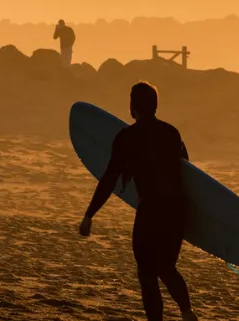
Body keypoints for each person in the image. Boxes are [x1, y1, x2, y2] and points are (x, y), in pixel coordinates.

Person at [80, 82, 197, 321]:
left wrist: (89, 214)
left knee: (146, 273)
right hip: (177, 209)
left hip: (152, 209)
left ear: (133, 106)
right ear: (155, 105)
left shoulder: (128, 137)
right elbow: (189, 174)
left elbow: (110, 178)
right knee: (166, 267)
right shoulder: (171, 133)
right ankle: (187, 313)